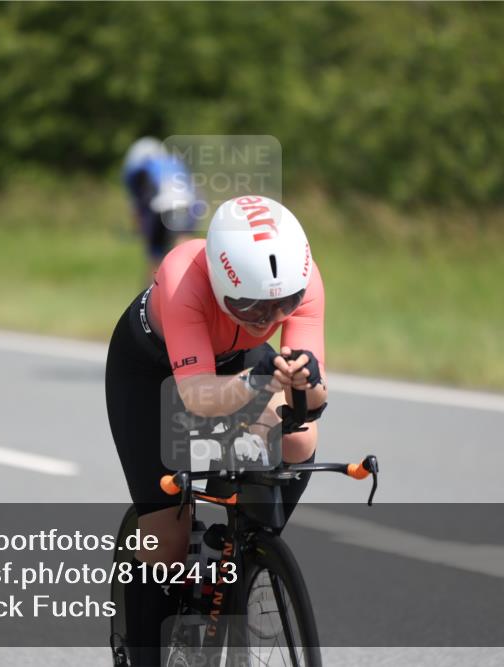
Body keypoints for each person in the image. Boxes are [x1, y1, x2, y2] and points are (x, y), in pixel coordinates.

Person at [105, 195, 326, 665]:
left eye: (281, 305)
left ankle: (247, 553)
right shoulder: (184, 273)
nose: (268, 319)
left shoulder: (304, 282)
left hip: (235, 362)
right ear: (221, 280)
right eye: (249, 306)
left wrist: (306, 388)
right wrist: (262, 381)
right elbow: (198, 399)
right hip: (153, 374)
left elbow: (310, 401)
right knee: (165, 539)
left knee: (297, 436)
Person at [121, 137, 202, 279]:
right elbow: (196, 195)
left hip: (161, 207)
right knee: (185, 251)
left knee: (156, 258)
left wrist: (140, 226)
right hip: (185, 205)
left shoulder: (141, 168)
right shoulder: (175, 161)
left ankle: (149, 297)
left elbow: (138, 203)